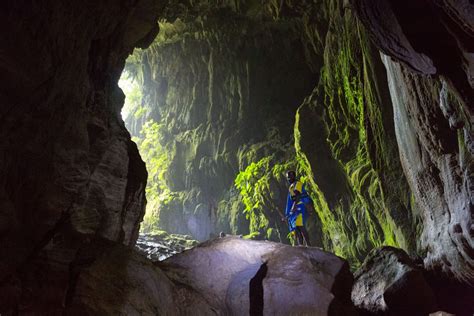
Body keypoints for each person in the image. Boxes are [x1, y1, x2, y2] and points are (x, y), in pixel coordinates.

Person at [283, 170, 311, 246]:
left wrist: (293, 207)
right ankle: (300, 245)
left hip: (300, 206)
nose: (288, 179)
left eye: (290, 177)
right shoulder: (291, 186)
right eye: (287, 177)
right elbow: (290, 200)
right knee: (297, 228)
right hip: (296, 208)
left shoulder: (298, 184)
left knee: (300, 225)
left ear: (294, 176)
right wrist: (288, 213)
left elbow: (297, 196)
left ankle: (308, 244)